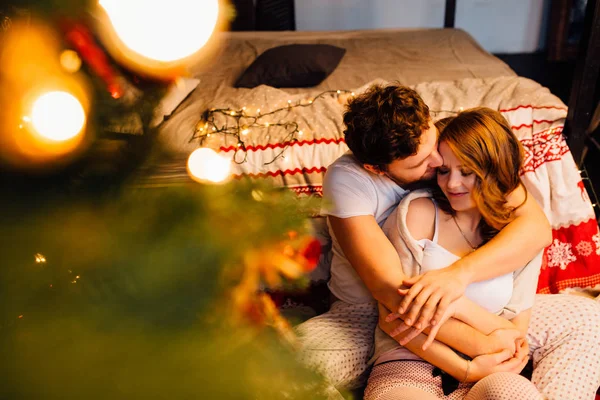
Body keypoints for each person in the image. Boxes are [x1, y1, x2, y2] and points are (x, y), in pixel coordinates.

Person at [295, 83, 600, 400]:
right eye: (421, 163)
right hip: (369, 316)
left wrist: (459, 276)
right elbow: (395, 297)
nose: (437, 162)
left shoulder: (447, 148)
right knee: (280, 371)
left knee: (588, 318)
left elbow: (534, 227)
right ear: (377, 169)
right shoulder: (351, 181)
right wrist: (479, 355)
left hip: (478, 315)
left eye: (433, 145)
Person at [365, 108, 544, 399]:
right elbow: (394, 315)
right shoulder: (418, 213)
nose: (452, 184)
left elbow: (514, 334)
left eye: (467, 172)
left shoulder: (519, 233)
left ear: (493, 169)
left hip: (489, 365)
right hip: (410, 358)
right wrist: (465, 366)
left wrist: (454, 303)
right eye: (444, 170)